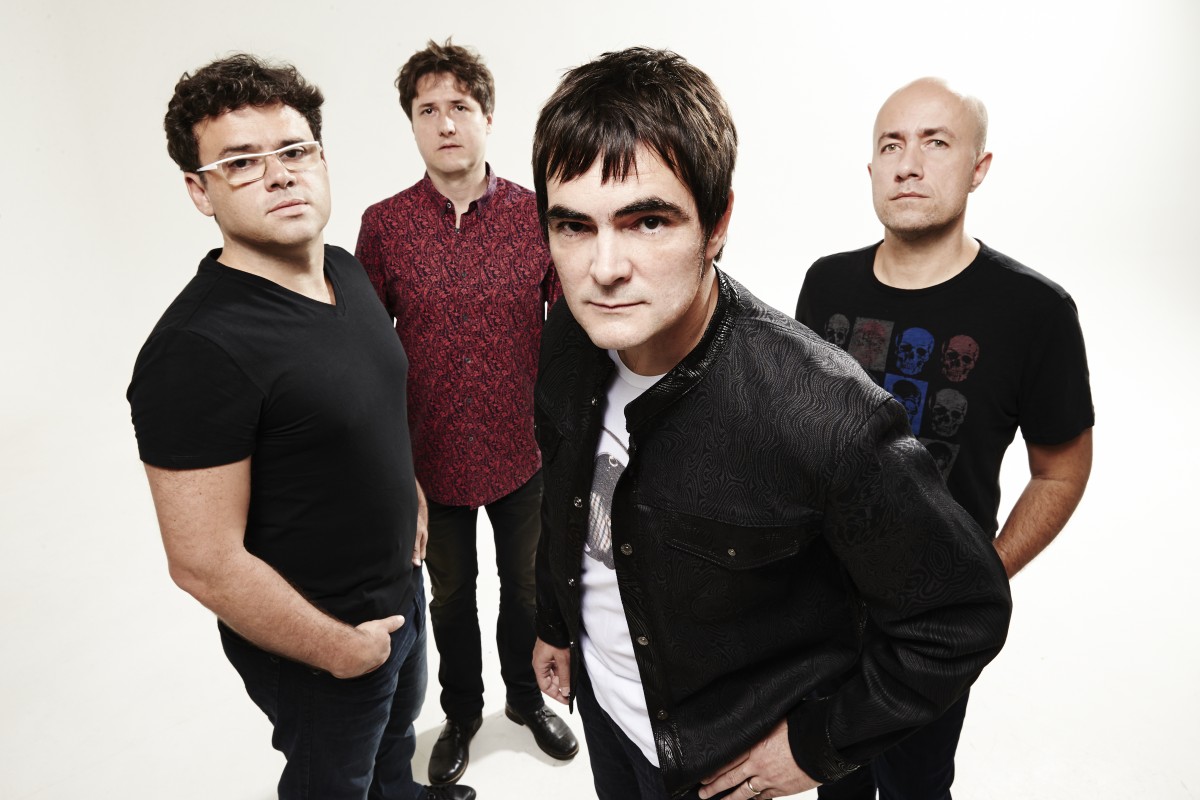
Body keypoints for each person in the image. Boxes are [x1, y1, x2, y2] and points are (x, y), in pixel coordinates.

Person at [529, 48, 1013, 800]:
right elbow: (566, 490)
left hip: (717, 764)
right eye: (573, 226)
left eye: (648, 221)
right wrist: (556, 623)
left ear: (717, 222)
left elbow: (960, 614)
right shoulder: (568, 333)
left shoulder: (826, 416)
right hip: (604, 709)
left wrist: (820, 746)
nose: (605, 268)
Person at [127, 54, 474, 800]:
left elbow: (363, 409)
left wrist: (409, 490)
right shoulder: (196, 349)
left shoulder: (345, 270)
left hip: (399, 592)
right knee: (333, 780)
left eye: (294, 150)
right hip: (322, 643)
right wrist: (341, 651)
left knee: (395, 746)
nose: (280, 175)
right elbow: (202, 563)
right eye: (241, 163)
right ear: (199, 190)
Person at [797, 77, 1094, 800]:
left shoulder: (1035, 310)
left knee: (917, 787)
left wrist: (983, 575)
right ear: (871, 167)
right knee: (833, 780)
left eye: (936, 143)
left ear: (978, 168)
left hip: (929, 629)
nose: (908, 164)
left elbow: (1061, 469)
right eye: (891, 145)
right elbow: (795, 441)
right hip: (819, 611)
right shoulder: (826, 285)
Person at [355, 39, 577, 786]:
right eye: (428, 110)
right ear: (412, 124)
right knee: (450, 600)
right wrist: (395, 471)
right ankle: (462, 712)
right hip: (430, 464)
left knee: (528, 590)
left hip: (525, 455)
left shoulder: (537, 215)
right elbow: (365, 357)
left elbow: (573, 335)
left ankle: (526, 700)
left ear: (488, 117)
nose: (446, 123)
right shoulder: (384, 227)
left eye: (460, 107)